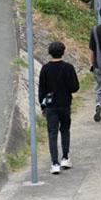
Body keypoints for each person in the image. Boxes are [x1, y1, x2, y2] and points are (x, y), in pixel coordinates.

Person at [37, 41, 79, 174]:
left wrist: (43, 105)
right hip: (65, 104)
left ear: (50, 53)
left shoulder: (45, 69)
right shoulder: (68, 67)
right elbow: (75, 87)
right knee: (65, 130)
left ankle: (54, 163)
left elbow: (41, 89)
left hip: (50, 106)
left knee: (52, 133)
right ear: (63, 51)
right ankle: (65, 158)